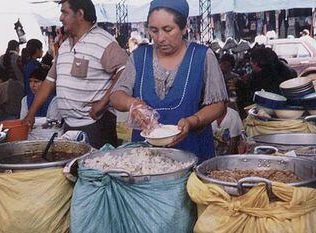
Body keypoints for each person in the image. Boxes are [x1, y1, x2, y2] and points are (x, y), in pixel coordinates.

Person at [110, 0, 227, 162]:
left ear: (184, 27)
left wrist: (192, 121)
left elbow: (218, 105)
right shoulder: (139, 57)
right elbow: (116, 95)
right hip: (146, 157)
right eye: (154, 30)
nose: (160, 38)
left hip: (192, 151)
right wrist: (132, 104)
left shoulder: (202, 56)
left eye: (168, 30)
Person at [23, 0, 128, 149]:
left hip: (96, 126)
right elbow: (49, 81)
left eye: (65, 12)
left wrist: (103, 102)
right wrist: (31, 113)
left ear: (80, 14)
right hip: (69, 126)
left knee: (95, 170)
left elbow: (125, 70)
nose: (60, 18)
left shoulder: (103, 41)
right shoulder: (65, 45)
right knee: (72, 169)